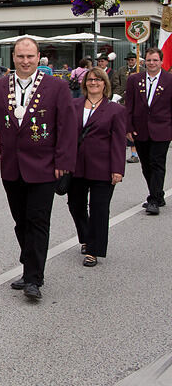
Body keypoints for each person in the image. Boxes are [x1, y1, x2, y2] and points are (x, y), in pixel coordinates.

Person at [0, 37, 76, 300]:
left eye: (30, 56)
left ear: (38, 57)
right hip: (12, 167)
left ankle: (33, 278)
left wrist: (63, 163)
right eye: (20, 56)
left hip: (44, 168)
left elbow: (66, 127)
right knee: (21, 222)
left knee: (37, 221)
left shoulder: (57, 87)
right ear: (13, 57)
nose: (25, 61)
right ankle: (30, 263)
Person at [68, 68, 126, 267]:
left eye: (98, 80)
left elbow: (119, 141)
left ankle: (94, 249)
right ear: (84, 84)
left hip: (103, 167)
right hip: (76, 166)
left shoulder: (115, 110)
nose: (93, 83)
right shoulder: (74, 105)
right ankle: (86, 237)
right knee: (75, 205)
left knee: (99, 209)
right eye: (90, 80)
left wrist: (118, 169)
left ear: (105, 83)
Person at [124, 47, 172, 215]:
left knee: (157, 163)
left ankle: (153, 200)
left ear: (161, 62)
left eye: (155, 60)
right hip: (140, 130)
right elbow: (128, 105)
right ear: (144, 61)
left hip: (162, 129)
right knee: (146, 165)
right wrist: (128, 127)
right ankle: (158, 194)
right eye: (149, 60)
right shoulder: (134, 80)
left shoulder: (169, 80)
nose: (152, 63)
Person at [113, 53, 140, 163]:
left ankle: (135, 153)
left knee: (133, 126)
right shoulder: (121, 70)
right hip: (123, 100)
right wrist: (119, 94)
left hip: (137, 101)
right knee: (122, 125)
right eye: (128, 60)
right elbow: (116, 82)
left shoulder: (141, 69)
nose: (130, 61)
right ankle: (122, 149)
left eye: (132, 59)